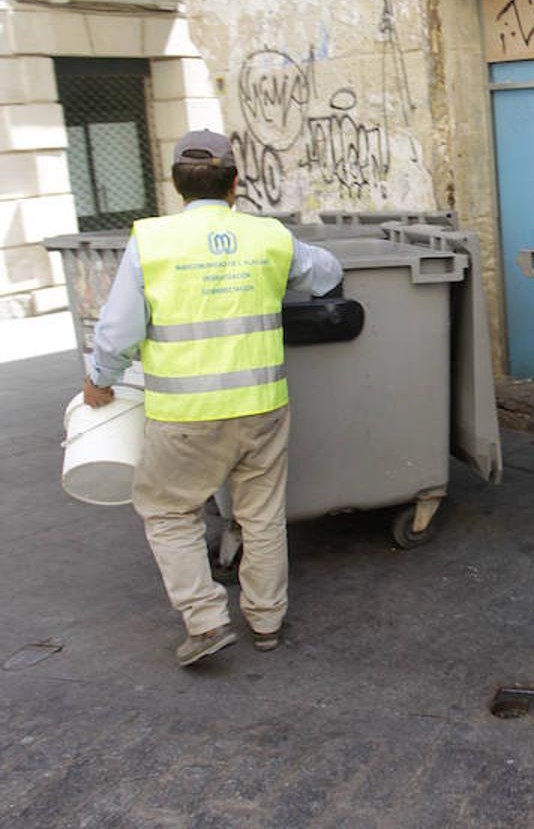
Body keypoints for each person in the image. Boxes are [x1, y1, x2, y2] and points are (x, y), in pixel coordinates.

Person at [83, 129, 343, 668]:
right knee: (262, 515)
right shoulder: (268, 236)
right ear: (236, 183)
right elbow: (327, 275)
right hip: (261, 406)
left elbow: (116, 333)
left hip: (186, 415)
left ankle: (205, 621)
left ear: (176, 184)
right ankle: (267, 620)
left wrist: (100, 378)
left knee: (168, 511)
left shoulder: (150, 242)